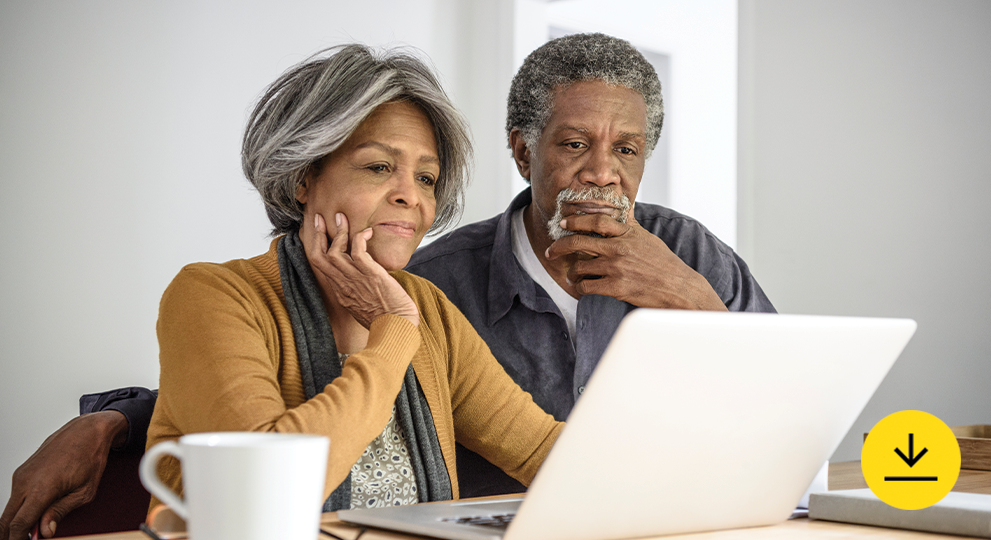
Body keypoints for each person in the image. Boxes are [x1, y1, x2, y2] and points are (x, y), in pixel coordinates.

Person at [1, 33, 773, 540]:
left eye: (427, 177)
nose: (413, 196)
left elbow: (550, 454)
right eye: (379, 168)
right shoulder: (221, 295)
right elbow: (273, 491)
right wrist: (391, 331)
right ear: (305, 176)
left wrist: (706, 503)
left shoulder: (428, 311)